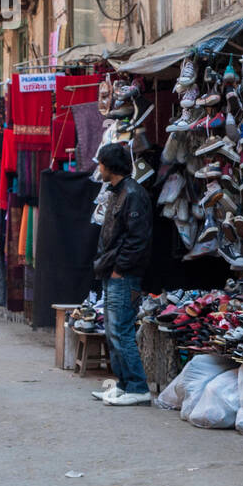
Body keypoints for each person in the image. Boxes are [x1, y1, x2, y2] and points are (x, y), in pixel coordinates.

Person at [90, 142, 153, 407]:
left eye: (101, 163)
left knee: (121, 331)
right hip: (113, 271)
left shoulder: (133, 194)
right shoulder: (118, 192)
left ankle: (138, 387)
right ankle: (126, 384)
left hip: (123, 275)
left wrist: (119, 269)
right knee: (113, 330)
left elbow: (138, 240)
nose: (99, 168)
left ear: (110, 165)